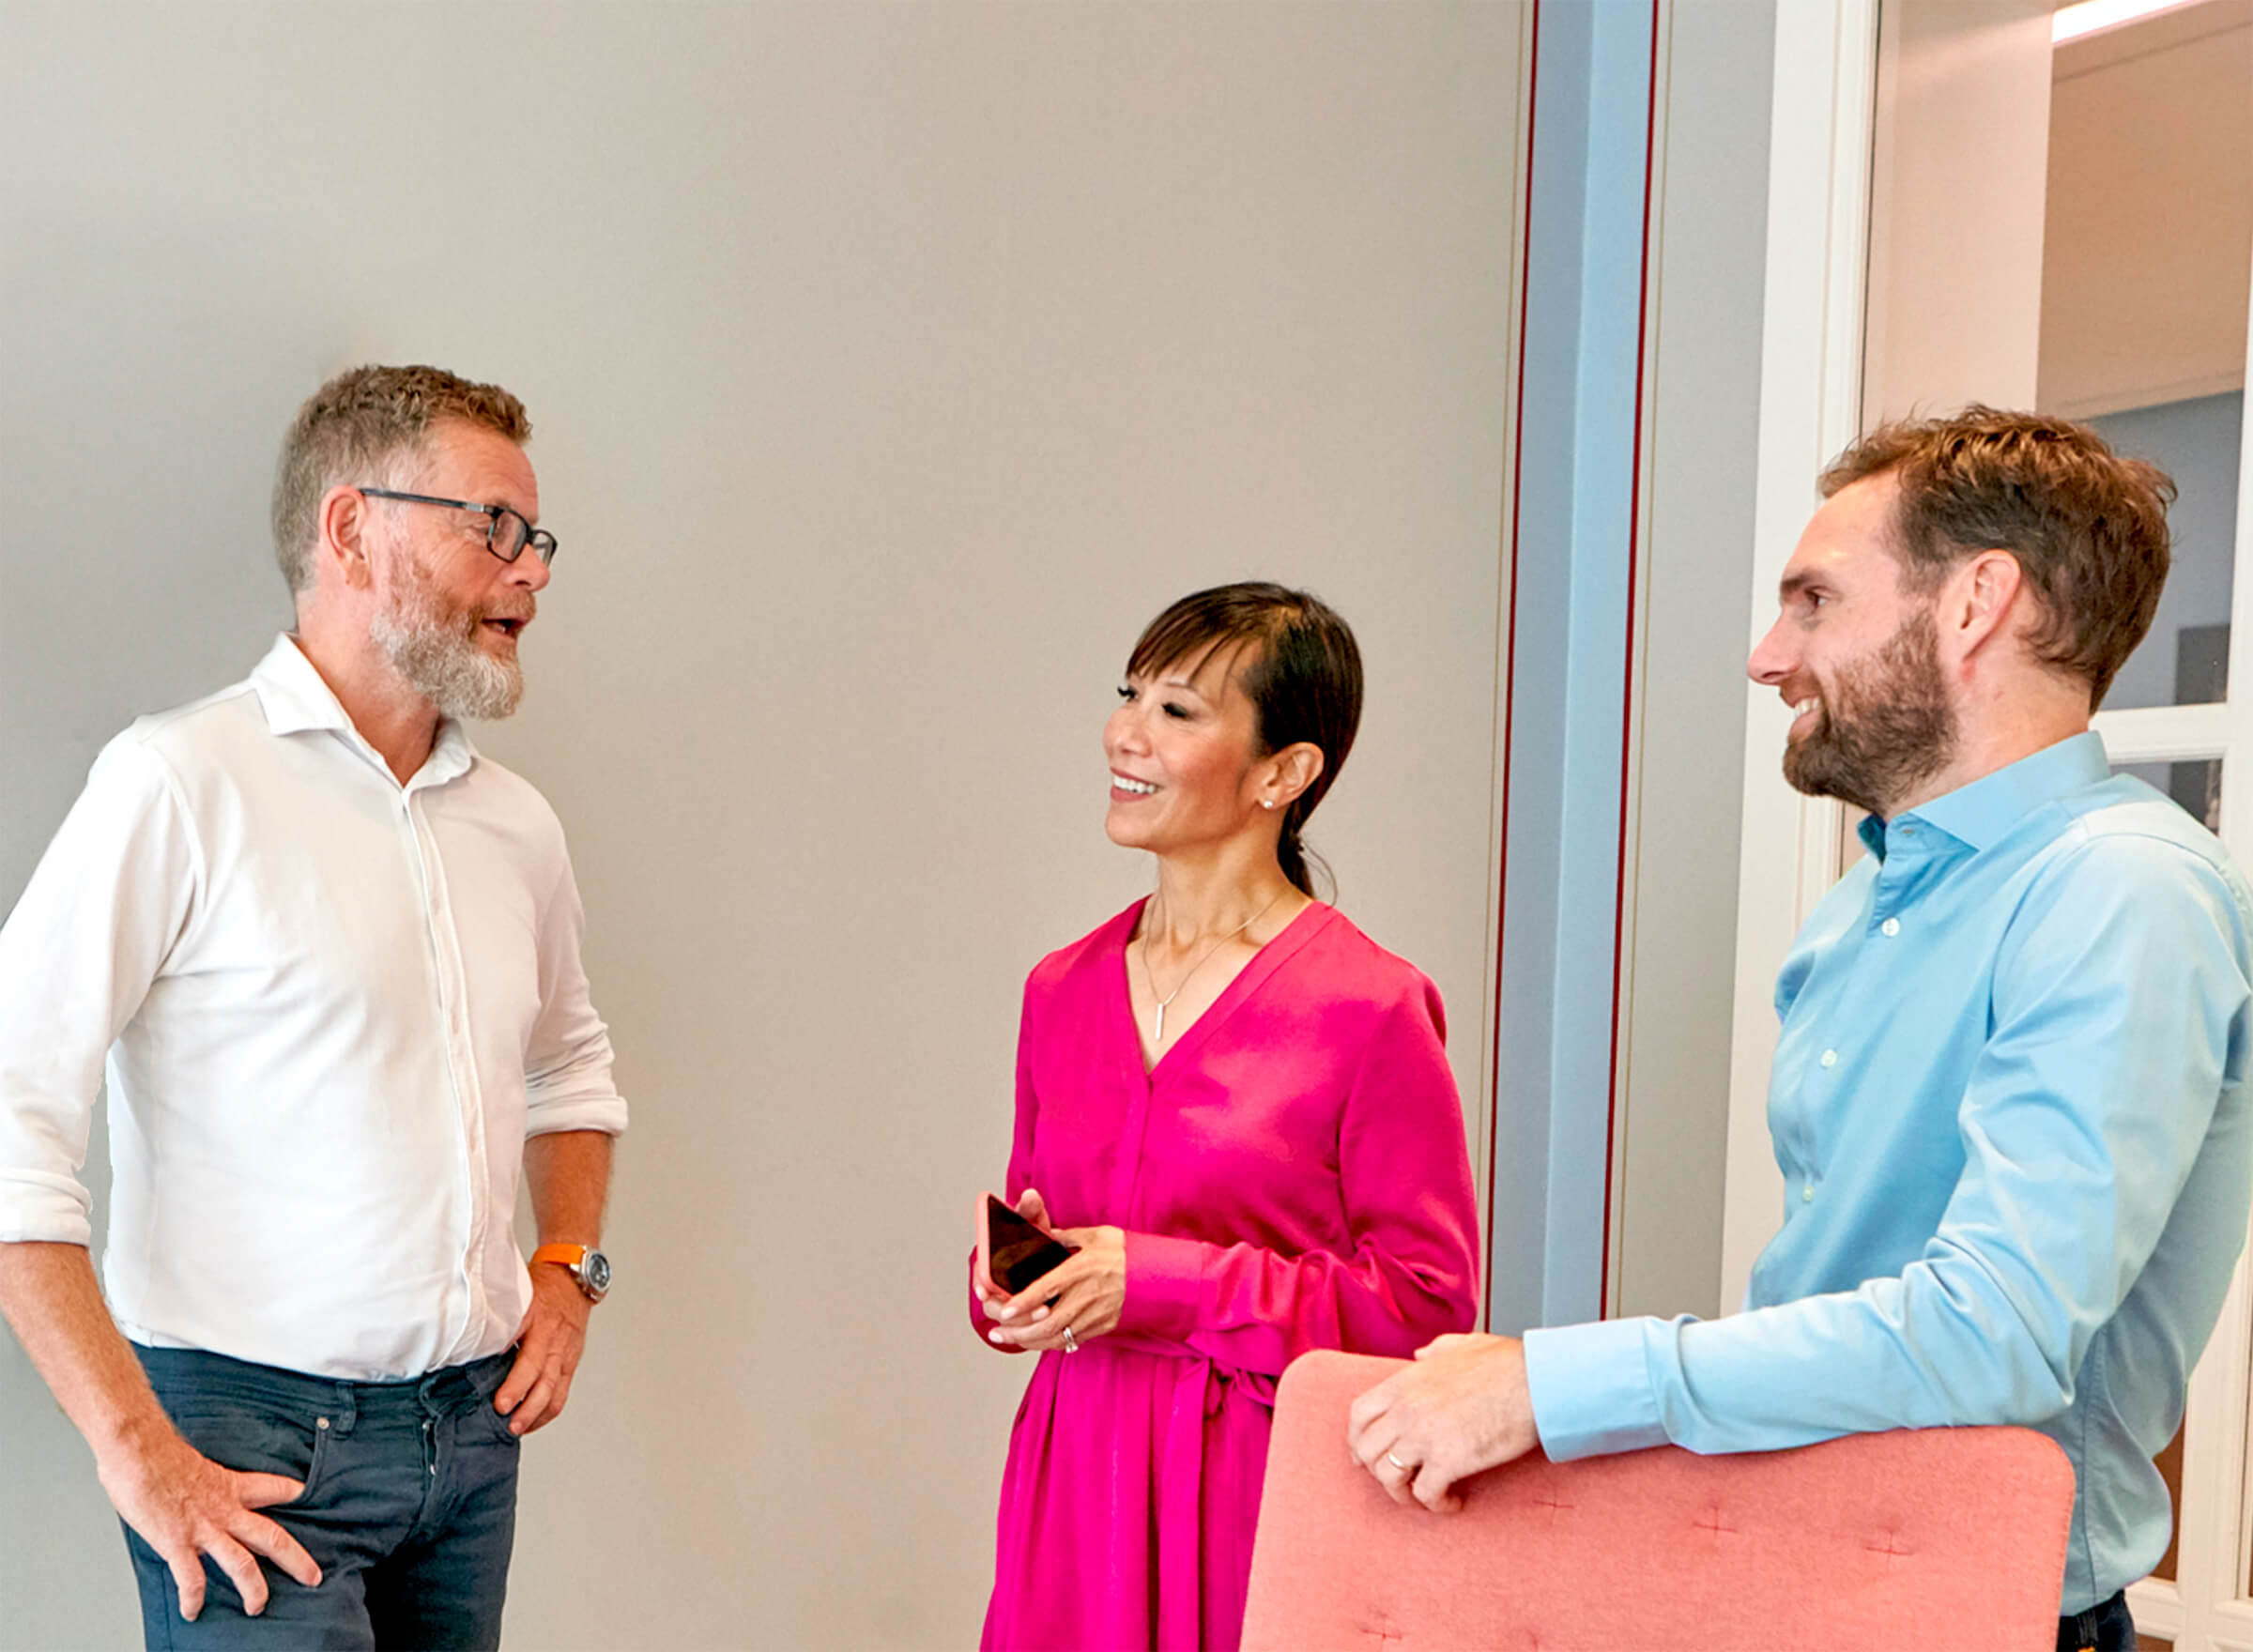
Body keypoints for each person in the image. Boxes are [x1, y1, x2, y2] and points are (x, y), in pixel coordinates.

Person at [1347, 408, 2253, 1652]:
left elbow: (1990, 1334)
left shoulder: (2123, 893)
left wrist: (1550, 1389)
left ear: (1979, 600)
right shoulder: (1859, 911)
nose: (1771, 655)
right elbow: (1831, 1289)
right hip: (1809, 1581)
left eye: (1815, 601)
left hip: (1984, 1617)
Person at [0, 363, 628, 1649]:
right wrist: (135, 1451)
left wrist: (565, 1274)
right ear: (353, 530)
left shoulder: (516, 825)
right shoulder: (179, 782)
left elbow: (572, 1068)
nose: (533, 571)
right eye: (493, 528)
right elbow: (8, 1117)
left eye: (537, 537)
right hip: (249, 1450)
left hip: (471, 1446)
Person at [972, 581, 1481, 1652]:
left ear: (1285, 773)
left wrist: (1157, 1280)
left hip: (1257, 1495)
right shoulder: (1059, 988)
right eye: (1130, 694)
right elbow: (1043, 1237)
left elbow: (1429, 1306)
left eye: (1178, 710)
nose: (1126, 732)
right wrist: (1010, 1282)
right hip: (1077, 1481)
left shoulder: (1371, 1006)